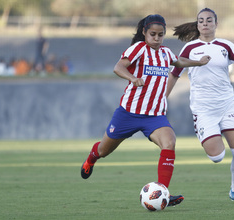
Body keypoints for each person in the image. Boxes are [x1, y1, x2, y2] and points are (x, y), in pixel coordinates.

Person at [81, 14, 210, 207]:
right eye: (152, 34)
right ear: (144, 33)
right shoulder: (139, 49)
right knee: (103, 150)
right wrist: (132, 78)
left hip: (155, 116)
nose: (156, 38)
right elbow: (118, 67)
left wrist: (198, 62)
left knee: (169, 142)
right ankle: (91, 158)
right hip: (129, 114)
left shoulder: (165, 53)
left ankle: (163, 193)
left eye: (160, 35)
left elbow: (179, 61)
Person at [167, 8, 234, 204]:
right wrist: (163, 98)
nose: (205, 23)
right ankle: (208, 132)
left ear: (216, 24)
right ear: (197, 25)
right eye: (201, 21)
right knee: (217, 157)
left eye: (209, 20)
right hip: (203, 109)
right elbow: (174, 74)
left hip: (227, 105)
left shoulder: (225, 45)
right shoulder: (189, 49)